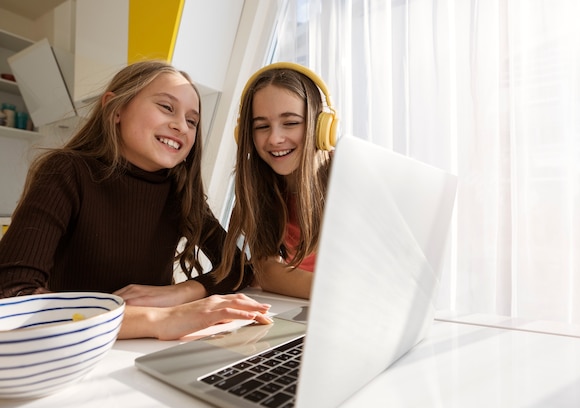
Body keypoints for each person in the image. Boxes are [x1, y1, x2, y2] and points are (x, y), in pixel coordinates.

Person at [0, 60, 272, 340]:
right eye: (167, 107)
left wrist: (178, 293)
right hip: (77, 348)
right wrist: (163, 318)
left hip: (149, 346)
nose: (181, 126)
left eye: (192, 121)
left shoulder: (179, 191)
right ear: (116, 108)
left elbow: (239, 268)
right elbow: (13, 292)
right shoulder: (67, 170)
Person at [214, 62, 338, 299]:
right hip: (310, 308)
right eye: (262, 126)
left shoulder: (349, 177)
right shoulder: (260, 188)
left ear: (322, 127)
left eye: (291, 123)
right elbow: (266, 272)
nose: (275, 138)